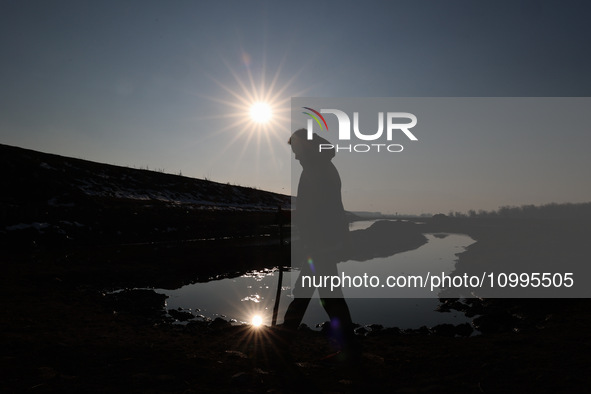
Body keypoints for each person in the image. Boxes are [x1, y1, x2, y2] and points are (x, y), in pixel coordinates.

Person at [281, 128, 359, 362]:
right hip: (324, 243)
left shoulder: (318, 169)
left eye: (296, 150)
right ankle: (351, 347)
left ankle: (282, 346)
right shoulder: (321, 166)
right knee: (328, 295)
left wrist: (313, 238)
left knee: (309, 294)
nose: (295, 156)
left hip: (321, 244)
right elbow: (316, 208)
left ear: (306, 146)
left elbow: (319, 210)